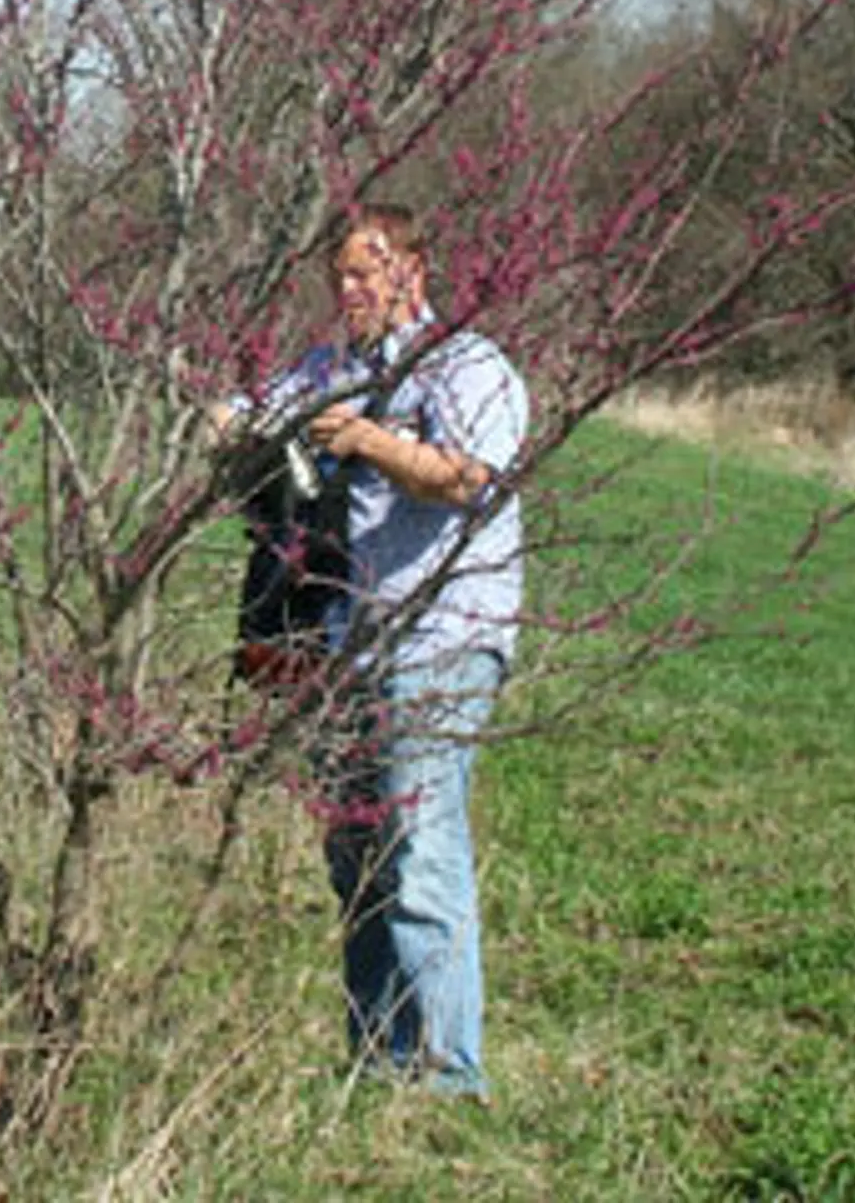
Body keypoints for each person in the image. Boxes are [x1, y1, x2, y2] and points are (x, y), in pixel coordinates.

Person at [240, 203, 527, 1095]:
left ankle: (443, 1076)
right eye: (339, 280)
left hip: (441, 636)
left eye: (366, 275)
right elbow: (259, 412)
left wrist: (369, 439)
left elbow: (466, 479)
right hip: (347, 646)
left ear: (414, 270)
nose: (350, 293)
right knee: (355, 856)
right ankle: (377, 1057)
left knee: (418, 846)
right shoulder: (330, 370)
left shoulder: (467, 366)